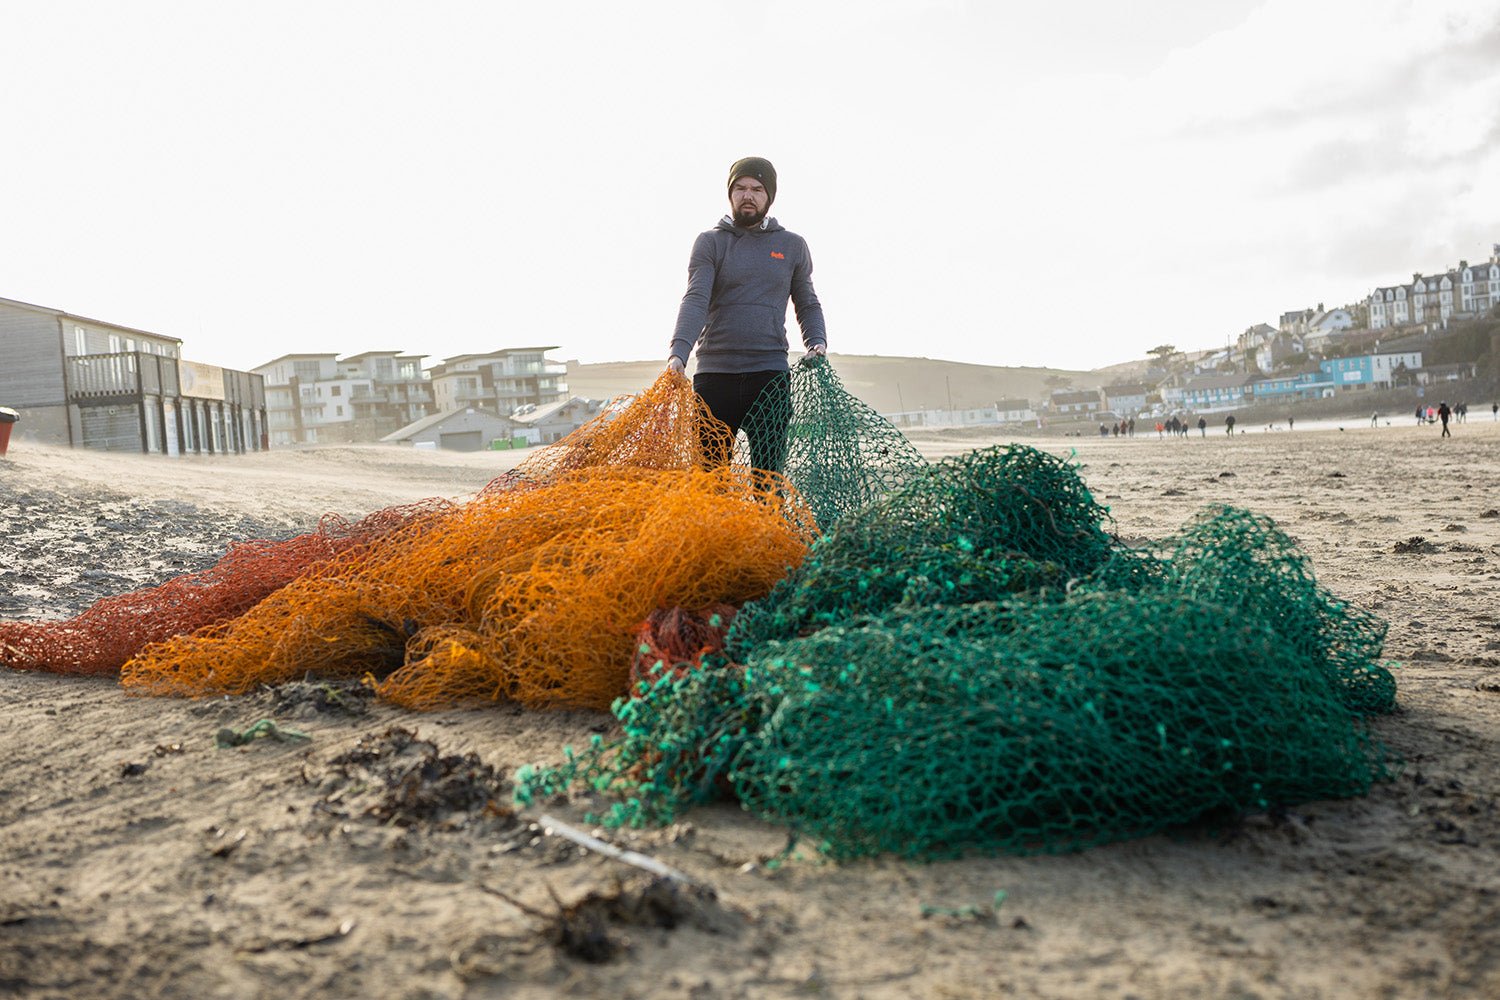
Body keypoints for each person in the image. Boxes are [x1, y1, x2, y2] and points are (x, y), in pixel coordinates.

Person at [667, 157, 827, 470]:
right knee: (710, 479)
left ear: (770, 196)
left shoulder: (792, 245)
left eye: (757, 189)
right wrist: (678, 354)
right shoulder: (710, 242)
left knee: (768, 481)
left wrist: (816, 341)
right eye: (740, 188)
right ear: (730, 194)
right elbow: (695, 299)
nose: (748, 195)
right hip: (715, 377)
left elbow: (807, 302)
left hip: (769, 377)